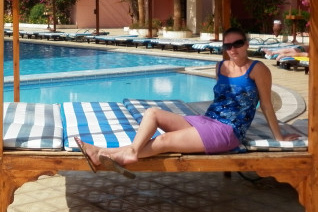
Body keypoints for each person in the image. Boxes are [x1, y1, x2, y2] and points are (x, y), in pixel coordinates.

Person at [76, 27, 299, 178]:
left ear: (247, 44)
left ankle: (111, 153)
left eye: (237, 44)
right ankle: (110, 153)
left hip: (228, 131)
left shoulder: (258, 69)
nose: (232, 49)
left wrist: (279, 137)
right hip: (208, 121)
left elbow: (266, 105)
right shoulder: (221, 67)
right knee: (152, 113)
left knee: (164, 141)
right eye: (228, 46)